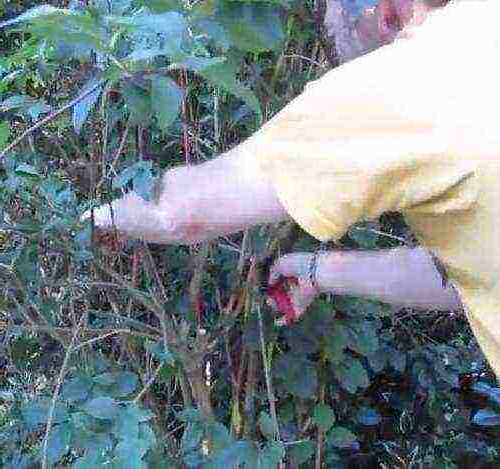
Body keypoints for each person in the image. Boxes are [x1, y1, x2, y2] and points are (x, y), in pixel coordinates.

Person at [82, 0, 500, 378]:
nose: (325, 25)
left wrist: (91, 220)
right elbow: (470, 274)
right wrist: (318, 272)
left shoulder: (402, 85)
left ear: (382, 10)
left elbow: (178, 211)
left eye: (327, 12)